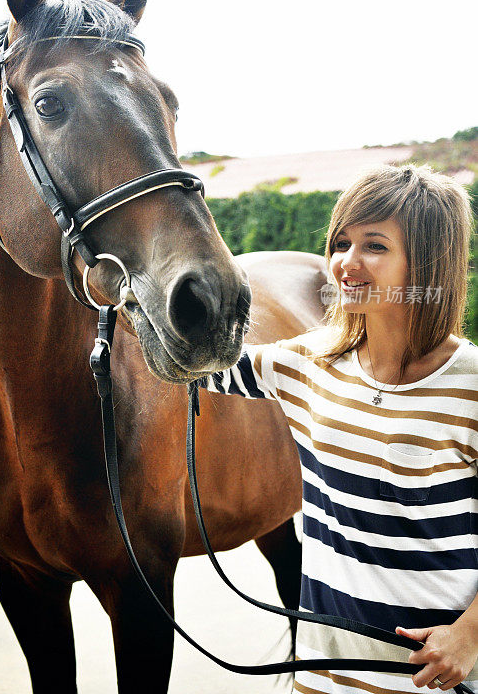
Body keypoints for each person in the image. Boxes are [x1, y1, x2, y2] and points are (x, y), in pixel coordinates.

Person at [202, 164, 478, 693]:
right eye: (341, 243)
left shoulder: (470, 385)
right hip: (322, 675)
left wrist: (468, 635)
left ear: (427, 262)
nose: (347, 263)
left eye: (374, 245)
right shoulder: (306, 363)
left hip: (438, 678)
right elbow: (194, 360)